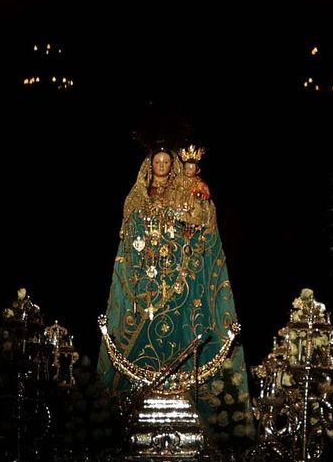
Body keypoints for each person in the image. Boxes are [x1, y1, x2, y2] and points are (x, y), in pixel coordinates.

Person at [98, 145, 254, 443]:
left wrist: (194, 201)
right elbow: (132, 233)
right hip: (144, 281)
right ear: (149, 165)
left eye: (166, 162)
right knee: (142, 330)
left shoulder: (184, 193)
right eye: (156, 161)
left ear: (173, 166)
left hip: (176, 279)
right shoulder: (138, 198)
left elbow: (198, 221)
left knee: (181, 323)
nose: (161, 166)